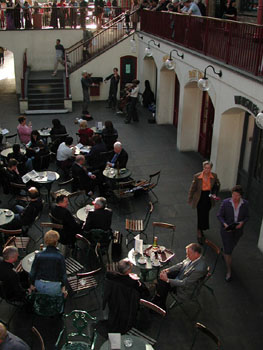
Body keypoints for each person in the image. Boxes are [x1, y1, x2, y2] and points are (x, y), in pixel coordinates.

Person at [152, 243, 207, 310]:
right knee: (162, 280)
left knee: (163, 284)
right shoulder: (193, 257)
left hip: (184, 288)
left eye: (188, 254)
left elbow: (184, 283)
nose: (187, 256)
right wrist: (168, 270)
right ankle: (159, 300)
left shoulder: (199, 269)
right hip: (181, 275)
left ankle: (159, 303)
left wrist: (167, 280)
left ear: (196, 254)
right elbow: (181, 264)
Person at [103, 258, 149, 334]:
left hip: (113, 302)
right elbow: (143, 291)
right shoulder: (132, 282)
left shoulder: (109, 275)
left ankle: (114, 343)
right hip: (127, 304)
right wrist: (138, 281)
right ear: (127, 271)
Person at [217, 185, 249, 282]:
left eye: (237, 195)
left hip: (238, 231)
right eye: (233, 195)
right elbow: (219, 215)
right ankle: (229, 271)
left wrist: (242, 223)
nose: (234, 197)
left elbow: (247, 216)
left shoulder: (245, 204)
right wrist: (225, 224)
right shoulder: (226, 203)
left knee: (231, 247)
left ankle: (226, 254)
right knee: (228, 251)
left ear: (241, 196)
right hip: (226, 230)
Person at [188, 161, 220, 244]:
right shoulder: (197, 176)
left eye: (208, 168)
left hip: (208, 197)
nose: (206, 170)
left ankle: (202, 228)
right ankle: (199, 231)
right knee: (200, 214)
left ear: (211, 168)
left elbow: (217, 184)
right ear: (203, 168)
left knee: (205, 213)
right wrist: (190, 198)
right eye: (205, 168)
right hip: (200, 196)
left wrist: (215, 193)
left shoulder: (214, 176)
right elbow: (193, 188)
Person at [29, 230, 68, 296]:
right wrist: (63, 286)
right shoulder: (60, 256)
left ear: (46, 241)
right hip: (54, 287)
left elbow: (32, 272)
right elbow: (63, 274)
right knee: (61, 295)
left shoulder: (38, 255)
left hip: (39, 285)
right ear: (56, 242)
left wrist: (32, 284)